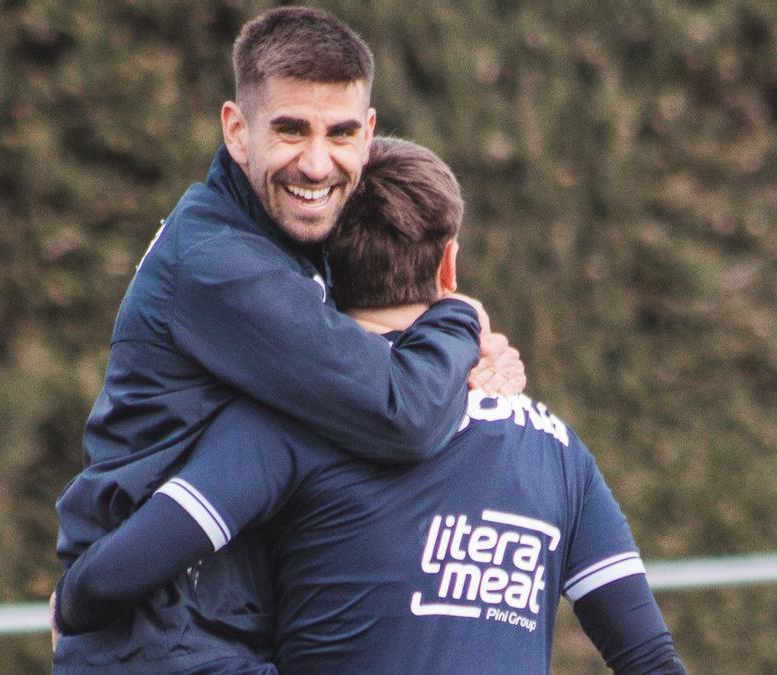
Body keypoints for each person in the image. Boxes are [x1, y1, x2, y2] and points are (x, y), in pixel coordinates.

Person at [55, 137, 686, 674]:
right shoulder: (559, 450)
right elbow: (649, 658)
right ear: (449, 265)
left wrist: (72, 605)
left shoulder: (288, 421)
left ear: (322, 265)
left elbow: (121, 572)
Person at [53, 6, 523, 672]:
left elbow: (364, 369)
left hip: (205, 633)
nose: (316, 162)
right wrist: (459, 319)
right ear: (237, 131)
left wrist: (476, 359)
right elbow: (402, 412)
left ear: (369, 134)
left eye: (340, 133)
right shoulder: (221, 265)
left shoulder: (292, 243)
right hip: (164, 642)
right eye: (291, 129)